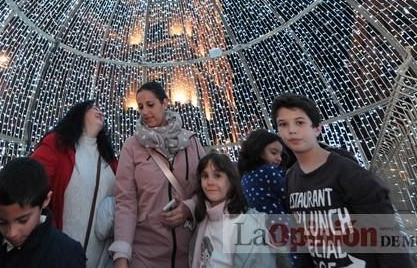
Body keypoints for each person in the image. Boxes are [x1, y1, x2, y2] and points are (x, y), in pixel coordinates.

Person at [271, 93, 413, 268]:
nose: (291, 130)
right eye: (283, 124)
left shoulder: (348, 173)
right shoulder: (290, 178)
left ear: (317, 128)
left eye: (299, 122)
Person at [110, 80, 206, 268]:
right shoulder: (132, 147)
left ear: (165, 103)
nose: (145, 112)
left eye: (150, 105)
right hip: (145, 256)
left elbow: (207, 187)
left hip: (190, 254)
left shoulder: (191, 141)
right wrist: (121, 253)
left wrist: (189, 208)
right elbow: (126, 201)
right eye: (140, 107)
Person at [31, 100, 118, 268]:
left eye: (101, 109)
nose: (100, 111)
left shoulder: (109, 158)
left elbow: (125, 192)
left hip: (100, 257)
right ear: (78, 114)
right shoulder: (57, 143)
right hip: (58, 255)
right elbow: (32, 180)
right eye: (93, 108)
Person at [0, 157, 85, 268]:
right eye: (3, 222)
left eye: (23, 220)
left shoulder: (67, 256)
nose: (12, 233)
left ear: (45, 200)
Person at [190, 153, 277, 268]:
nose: (210, 182)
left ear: (231, 181)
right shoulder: (202, 219)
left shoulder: (246, 224)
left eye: (217, 176)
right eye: (205, 176)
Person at [238, 129, 287, 215]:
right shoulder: (267, 171)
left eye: (280, 154)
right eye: (274, 152)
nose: (279, 158)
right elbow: (289, 195)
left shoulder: (245, 175)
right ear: (258, 150)